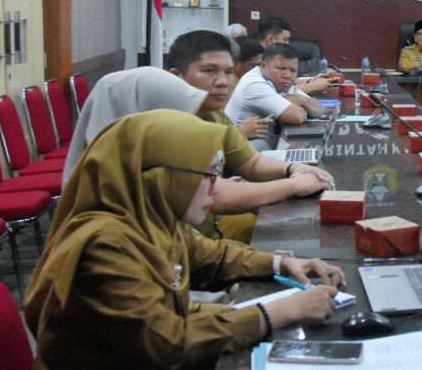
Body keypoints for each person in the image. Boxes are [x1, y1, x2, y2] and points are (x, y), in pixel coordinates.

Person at [23, 110, 345, 370]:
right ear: (162, 177)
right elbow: (168, 341)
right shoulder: (104, 248)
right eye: (208, 174)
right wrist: (279, 310)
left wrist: (280, 262)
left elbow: (212, 255)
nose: (217, 186)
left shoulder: (151, 217)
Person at [65, 64, 332, 243]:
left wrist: (275, 263)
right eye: (209, 71)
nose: (223, 83)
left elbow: (197, 252)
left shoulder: (205, 115)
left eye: (229, 72)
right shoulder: (109, 232)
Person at [224, 43, 326, 151]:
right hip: (246, 155)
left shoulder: (281, 82)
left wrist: (301, 99)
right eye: (281, 68)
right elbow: (297, 117)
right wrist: (300, 103)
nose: (287, 75)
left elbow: (319, 108)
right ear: (263, 66)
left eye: (293, 70)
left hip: (267, 150)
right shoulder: (254, 84)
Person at [254, 17, 329, 94]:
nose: (288, 44)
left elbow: (283, 82)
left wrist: (311, 80)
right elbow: (274, 93)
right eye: (285, 39)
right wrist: (314, 86)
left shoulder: (267, 56)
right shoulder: (254, 61)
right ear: (271, 39)